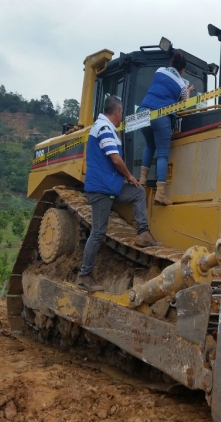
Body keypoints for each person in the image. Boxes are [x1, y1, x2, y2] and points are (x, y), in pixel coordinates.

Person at [77, 96, 158, 292]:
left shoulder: (108, 129)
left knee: (138, 193)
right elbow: (114, 158)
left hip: (110, 186)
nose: (122, 117)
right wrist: (129, 175)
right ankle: (84, 276)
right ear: (118, 112)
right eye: (122, 114)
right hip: (101, 189)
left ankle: (143, 233)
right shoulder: (104, 128)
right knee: (98, 232)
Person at [138, 51, 194, 205]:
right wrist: (188, 92)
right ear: (182, 70)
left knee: (150, 145)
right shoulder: (182, 84)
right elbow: (185, 105)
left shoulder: (159, 70)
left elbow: (159, 89)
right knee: (162, 154)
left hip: (143, 111)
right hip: (160, 115)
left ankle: (141, 181)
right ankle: (160, 194)